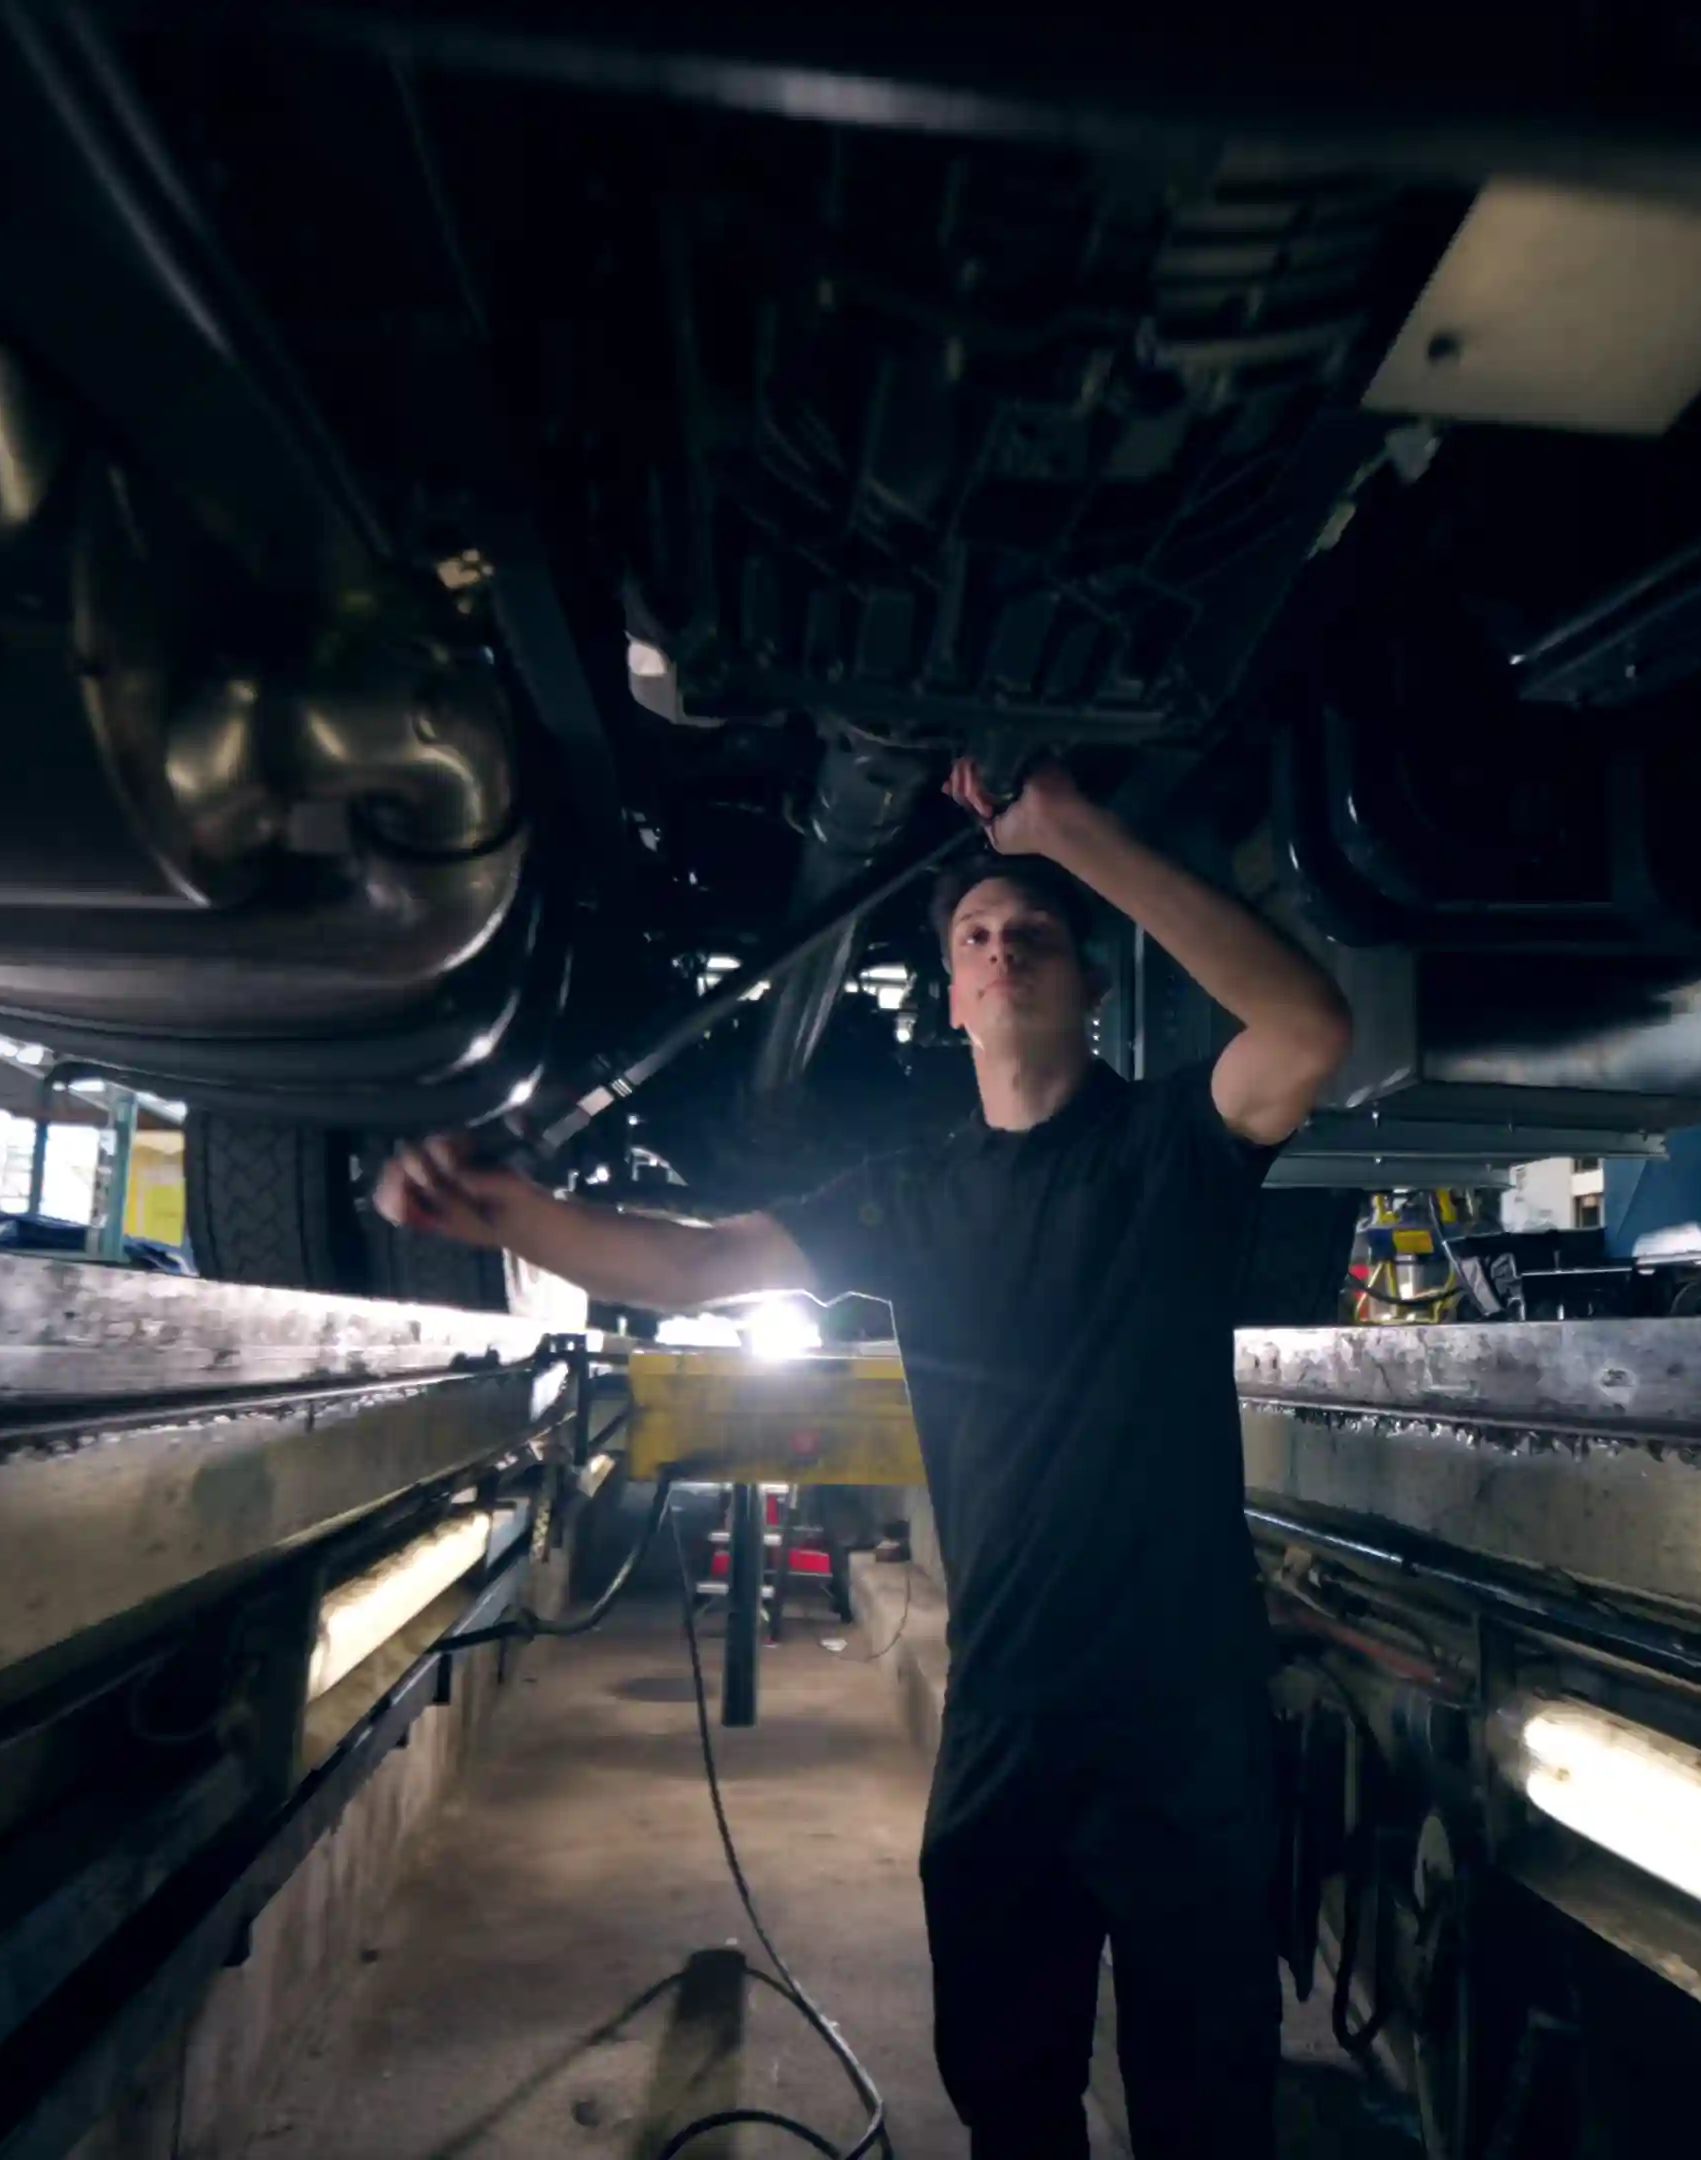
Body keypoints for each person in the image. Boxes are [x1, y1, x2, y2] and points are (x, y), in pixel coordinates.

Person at [378, 760, 1353, 2157]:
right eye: (974, 940)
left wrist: (1070, 831)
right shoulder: (911, 1197)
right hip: (1009, 1711)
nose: (1002, 949)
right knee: (1006, 2085)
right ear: (949, 1001)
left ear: (1088, 984)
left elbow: (1311, 1022)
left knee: (1207, 2105)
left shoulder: (1172, 1146)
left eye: (1034, 935)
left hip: (1186, 1727)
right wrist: (515, 1217)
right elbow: (696, 1263)